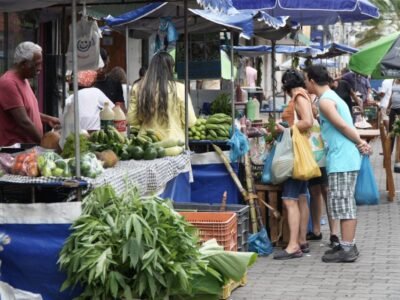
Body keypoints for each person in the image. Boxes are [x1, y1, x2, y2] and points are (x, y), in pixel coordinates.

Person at [304, 65, 371, 263]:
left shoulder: (326, 101)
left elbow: (342, 125)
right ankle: (345, 244)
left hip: (343, 158)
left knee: (344, 203)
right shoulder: (329, 97)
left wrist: (360, 143)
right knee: (340, 203)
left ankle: (348, 248)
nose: (305, 84)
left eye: (306, 80)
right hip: (340, 157)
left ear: (312, 81)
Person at [273, 69, 313, 260]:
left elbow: (307, 121)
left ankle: (293, 245)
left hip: (294, 153)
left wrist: (286, 129)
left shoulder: (298, 96)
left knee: (290, 200)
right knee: (302, 197)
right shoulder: (303, 94)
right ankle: (302, 240)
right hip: (301, 151)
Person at [0, 41, 60, 146]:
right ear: (24, 64)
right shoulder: (8, 83)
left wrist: (48, 119)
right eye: (37, 64)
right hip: (15, 150)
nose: (40, 68)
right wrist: (44, 144)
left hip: (27, 147)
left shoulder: (24, 80)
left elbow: (27, 110)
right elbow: (23, 121)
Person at [127, 51, 196, 142]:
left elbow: (131, 120)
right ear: (170, 68)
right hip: (173, 144)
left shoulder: (138, 87)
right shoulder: (180, 88)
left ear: (151, 68)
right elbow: (190, 121)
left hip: (146, 143)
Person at [60, 70, 113, 148]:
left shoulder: (70, 99)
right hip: (94, 135)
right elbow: (113, 108)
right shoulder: (96, 91)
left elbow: (63, 121)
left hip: (75, 137)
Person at [386, 78, 400, 153]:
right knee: (391, 129)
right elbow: (391, 95)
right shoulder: (394, 81)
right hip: (393, 108)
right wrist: (388, 107)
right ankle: (389, 150)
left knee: (399, 130)